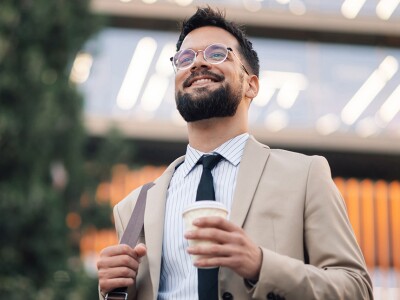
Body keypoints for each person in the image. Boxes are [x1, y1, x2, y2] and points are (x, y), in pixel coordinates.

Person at [97, 6, 373, 300]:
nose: (197, 63)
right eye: (185, 58)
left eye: (217, 53)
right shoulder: (134, 207)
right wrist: (111, 291)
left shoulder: (305, 176)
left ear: (251, 85)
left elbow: (356, 289)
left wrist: (261, 265)